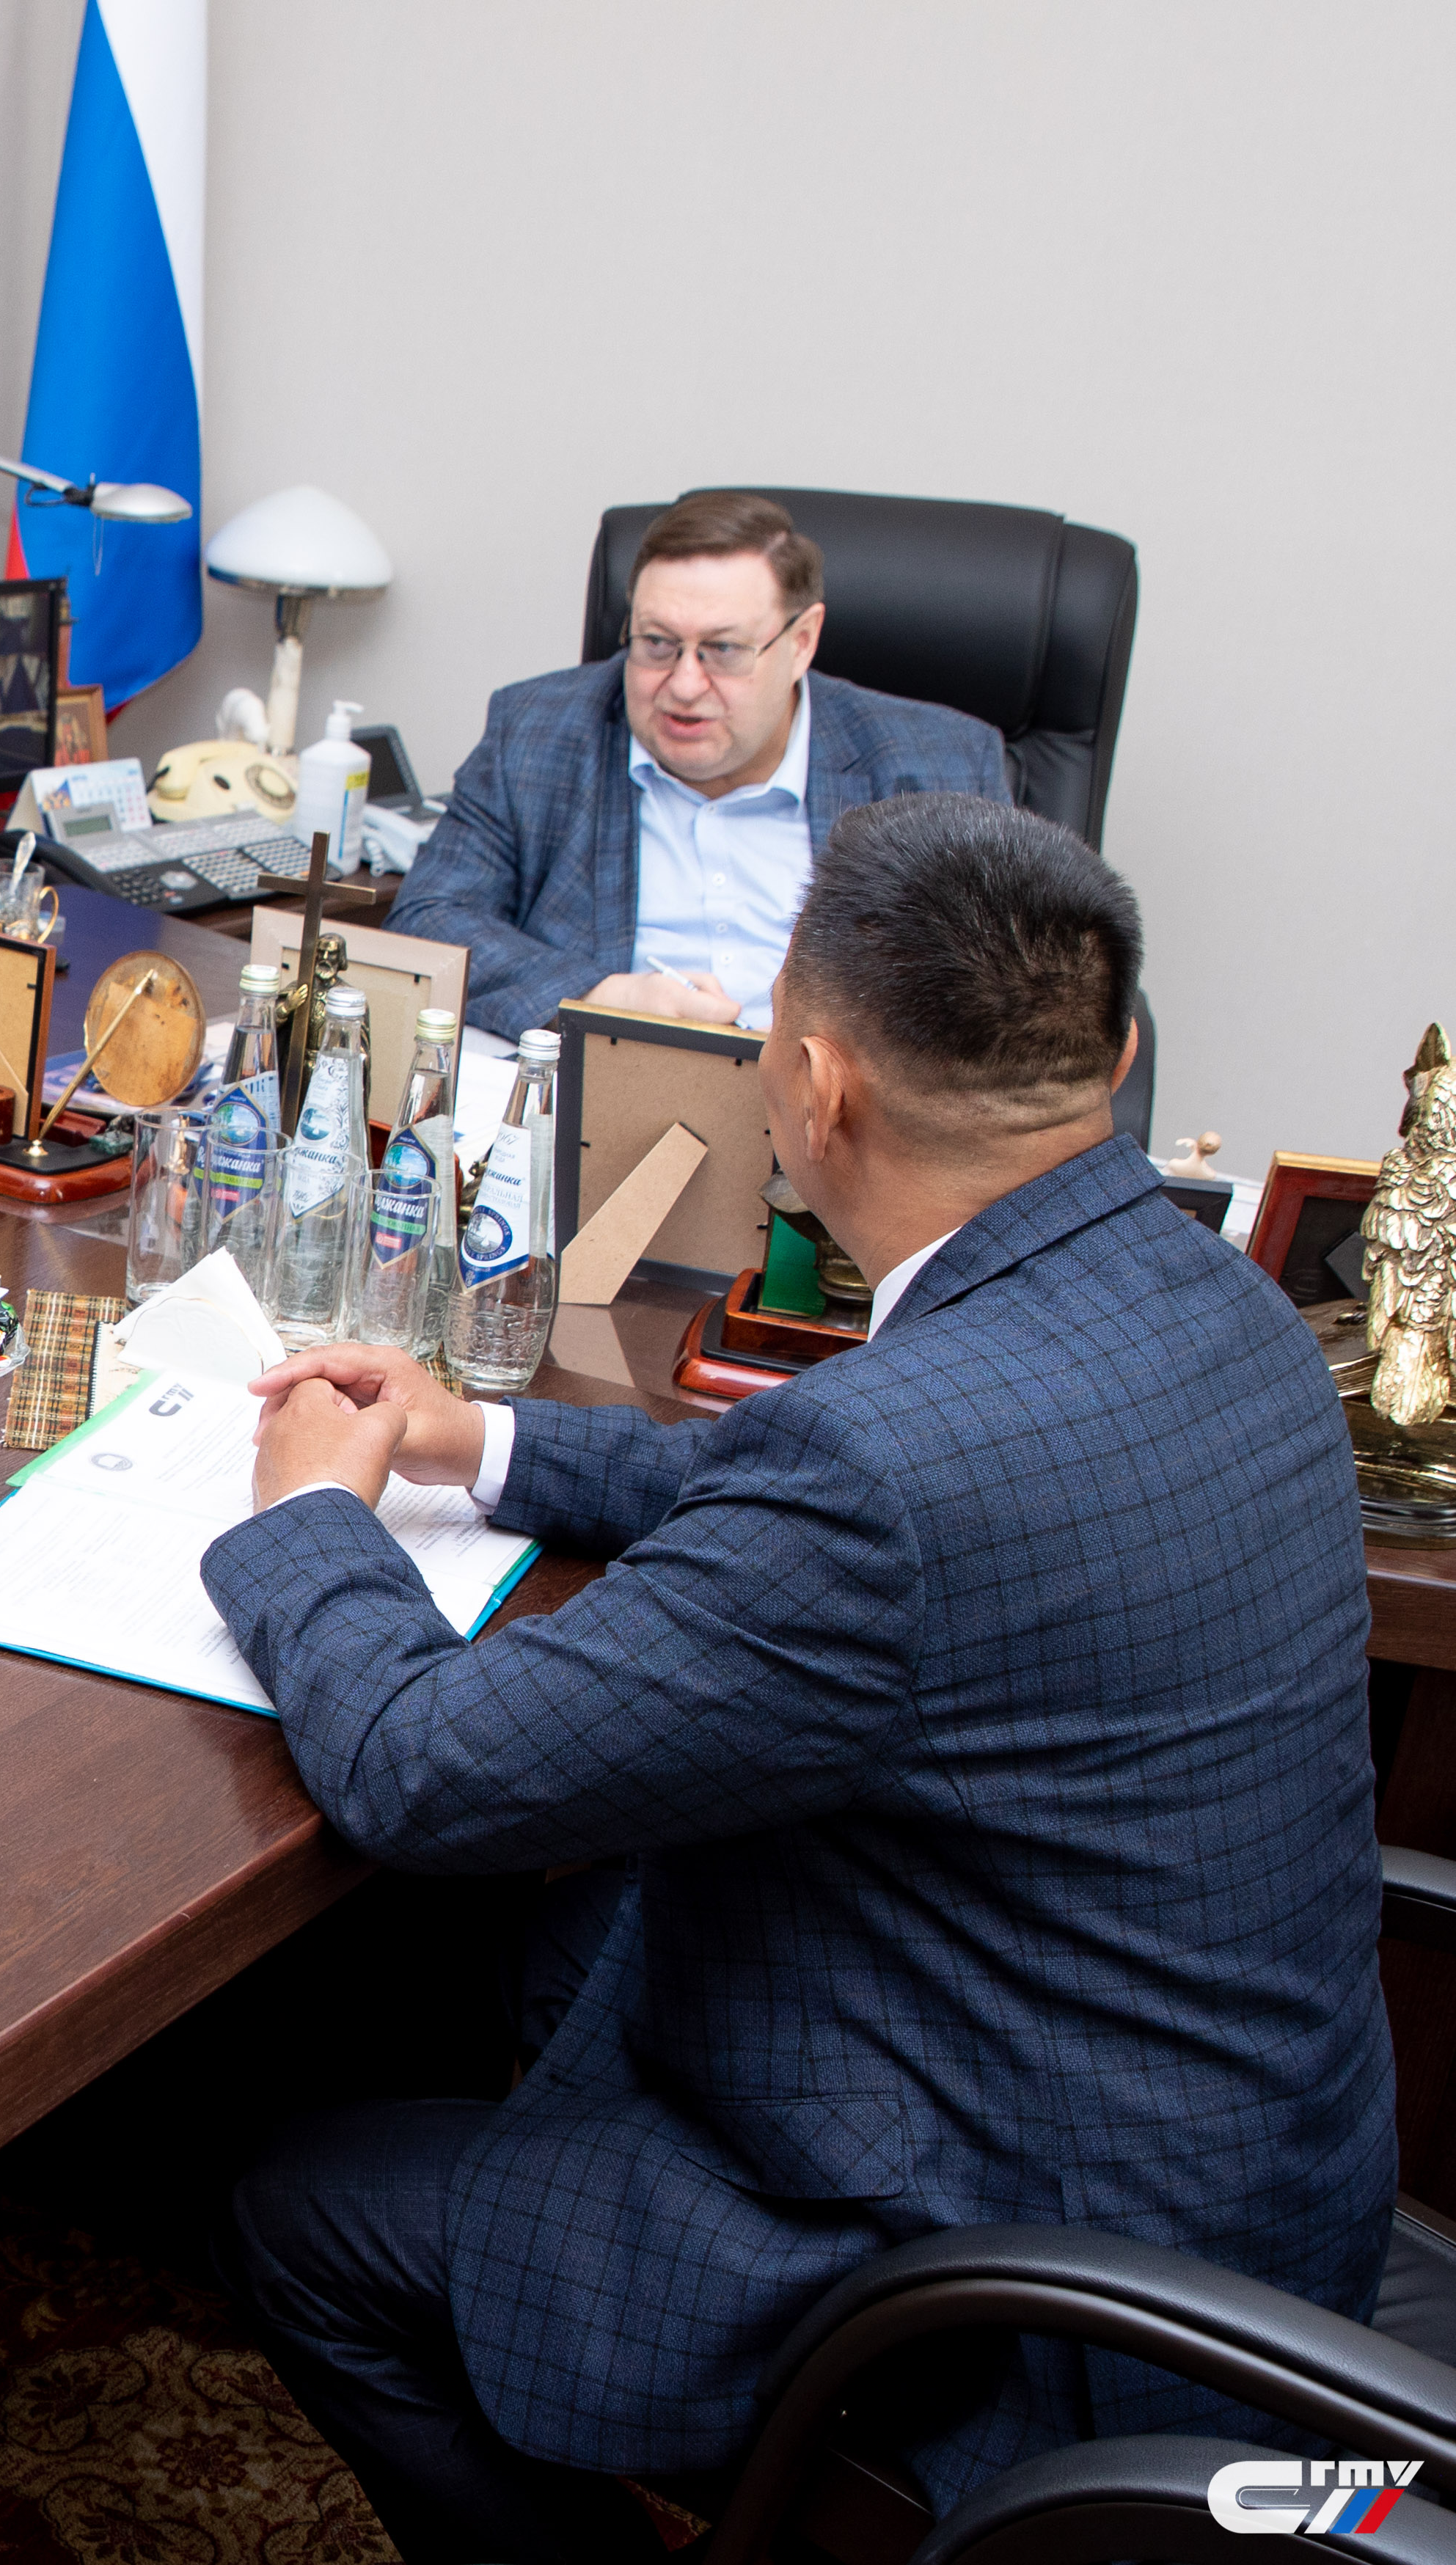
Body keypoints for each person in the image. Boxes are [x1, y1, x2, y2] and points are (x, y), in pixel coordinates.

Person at [207, 796, 1387, 2559]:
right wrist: (482, 1440)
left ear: (816, 1086)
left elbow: (422, 1766)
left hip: (1026, 2301)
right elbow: (816, 1483)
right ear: (1115, 1056)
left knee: (304, 2215)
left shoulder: (883, 1474)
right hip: (1250, 2178)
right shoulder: (1223, 1306)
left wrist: (310, 1517)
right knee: (563, 1939)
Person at [394, 490, 1010, 1038]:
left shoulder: (940, 764)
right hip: (614, 1088)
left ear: (800, 643)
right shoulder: (538, 730)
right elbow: (427, 920)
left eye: (723, 649)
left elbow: (1001, 984)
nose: (684, 686)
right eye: (657, 644)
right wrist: (600, 996)